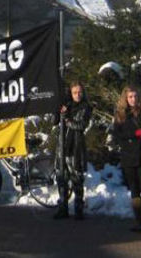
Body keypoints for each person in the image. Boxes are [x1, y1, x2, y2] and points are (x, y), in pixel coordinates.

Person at [109, 85, 141, 231]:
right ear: (126, 98)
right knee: (134, 189)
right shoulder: (120, 114)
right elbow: (117, 135)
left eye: (135, 96)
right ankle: (139, 219)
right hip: (128, 156)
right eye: (130, 97)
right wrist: (134, 134)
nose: (133, 99)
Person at [53, 81, 92, 220]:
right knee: (61, 177)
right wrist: (59, 112)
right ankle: (63, 207)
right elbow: (55, 121)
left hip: (75, 147)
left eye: (80, 92)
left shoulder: (86, 107)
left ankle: (78, 208)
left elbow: (80, 125)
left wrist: (67, 119)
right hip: (62, 147)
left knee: (77, 179)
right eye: (75, 92)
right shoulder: (67, 105)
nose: (77, 95)